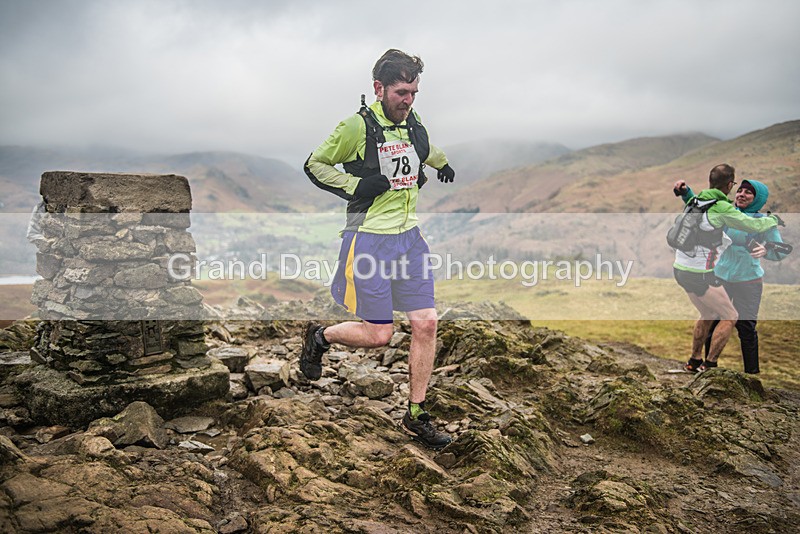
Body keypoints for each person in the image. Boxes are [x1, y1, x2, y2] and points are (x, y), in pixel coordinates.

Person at [301, 49, 456, 449]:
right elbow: (315, 163)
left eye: (414, 92)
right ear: (379, 88)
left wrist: (441, 163)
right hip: (369, 239)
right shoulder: (356, 127)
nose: (408, 100)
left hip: (410, 238)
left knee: (426, 323)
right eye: (401, 92)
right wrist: (357, 187)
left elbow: (422, 147)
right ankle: (320, 336)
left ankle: (416, 414)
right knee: (379, 335)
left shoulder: (412, 120)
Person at [672, 164, 780, 373]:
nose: (741, 193)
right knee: (731, 316)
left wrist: (685, 192)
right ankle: (710, 365)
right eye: (739, 188)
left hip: (680, 269)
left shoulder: (699, 199)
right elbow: (754, 226)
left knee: (708, 313)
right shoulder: (724, 208)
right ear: (730, 185)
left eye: (749, 191)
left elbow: (698, 209)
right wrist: (773, 219)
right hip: (700, 274)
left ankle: (694, 362)